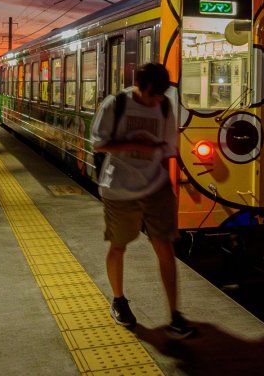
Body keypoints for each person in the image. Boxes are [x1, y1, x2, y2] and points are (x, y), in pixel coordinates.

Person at [90, 62, 195, 339]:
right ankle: (118, 300)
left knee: (165, 248)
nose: (157, 100)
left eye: (161, 95)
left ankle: (175, 315)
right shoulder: (116, 104)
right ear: (140, 86)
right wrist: (137, 145)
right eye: (153, 94)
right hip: (119, 189)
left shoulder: (163, 106)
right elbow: (98, 143)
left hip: (156, 187)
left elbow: (170, 148)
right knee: (119, 245)